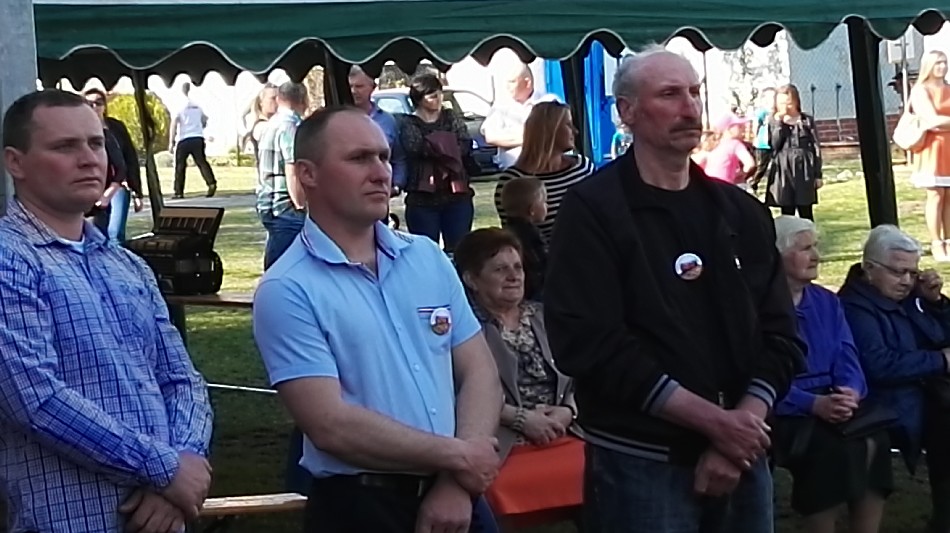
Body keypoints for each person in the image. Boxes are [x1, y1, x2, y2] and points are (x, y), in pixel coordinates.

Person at [543, 46, 804, 532]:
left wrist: (738, 430)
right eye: (669, 95)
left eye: (694, 92)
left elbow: (781, 332)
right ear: (627, 111)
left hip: (744, 454)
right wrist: (714, 423)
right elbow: (588, 341)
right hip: (643, 461)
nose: (689, 108)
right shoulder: (594, 211)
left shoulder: (739, 212)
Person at [252, 106, 503, 532]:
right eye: (359, 158)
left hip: (458, 495)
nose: (380, 172)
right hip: (363, 507)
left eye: (384, 156)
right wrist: (459, 458)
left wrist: (455, 483)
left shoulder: (426, 257)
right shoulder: (288, 289)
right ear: (308, 174)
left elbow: (479, 371)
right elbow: (330, 425)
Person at [0, 89, 214, 531]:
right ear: (15, 162)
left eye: (96, 143)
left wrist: (186, 459)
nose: (89, 159)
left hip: (161, 514)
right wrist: (166, 470)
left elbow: (182, 379)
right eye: (65, 146)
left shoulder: (128, 265)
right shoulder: (10, 258)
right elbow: (35, 399)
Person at [454, 228, 583, 530]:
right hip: (504, 443)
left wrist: (569, 410)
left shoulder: (546, 316)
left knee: (605, 469)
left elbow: (582, 372)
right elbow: (458, 390)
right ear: (471, 279)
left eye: (518, 267)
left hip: (565, 432)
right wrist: (523, 419)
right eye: (500, 269)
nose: (514, 276)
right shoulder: (463, 330)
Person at [771, 216, 891, 533]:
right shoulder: (757, 306)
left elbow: (846, 353)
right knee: (830, 449)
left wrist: (851, 391)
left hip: (833, 399)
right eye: (804, 249)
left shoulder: (826, 301)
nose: (816, 256)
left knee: (875, 439)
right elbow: (753, 375)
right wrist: (811, 404)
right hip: (782, 406)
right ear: (777, 256)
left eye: (816, 246)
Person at [838, 224, 950, 533]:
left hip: (921, 395)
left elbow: (941, 336)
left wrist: (936, 304)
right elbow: (878, 365)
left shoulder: (908, 298)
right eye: (898, 272)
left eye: (913, 273)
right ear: (869, 268)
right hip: (884, 404)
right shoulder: (855, 307)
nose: (907, 281)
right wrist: (940, 361)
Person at [493, 101, 594, 246]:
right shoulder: (514, 181)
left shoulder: (583, 167)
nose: (575, 131)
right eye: (568, 125)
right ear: (550, 130)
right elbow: (516, 237)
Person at [398, 73, 475, 253]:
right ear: (419, 98)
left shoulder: (450, 117)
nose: (438, 98)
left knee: (460, 251)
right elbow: (416, 147)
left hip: (457, 196)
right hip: (422, 200)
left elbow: (464, 144)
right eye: (432, 95)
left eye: (440, 93)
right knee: (426, 252)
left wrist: (436, 145)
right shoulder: (409, 123)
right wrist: (447, 145)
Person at [256, 81, 309, 270]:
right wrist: (301, 204)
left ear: (279, 99)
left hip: (268, 202)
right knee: (286, 268)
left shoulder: (271, 124)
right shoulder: (291, 127)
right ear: (304, 100)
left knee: (277, 263)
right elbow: (292, 169)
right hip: (285, 206)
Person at [83, 88, 144, 243]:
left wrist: (137, 192)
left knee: (115, 233)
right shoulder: (80, 130)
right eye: (89, 103)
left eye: (98, 102)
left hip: (118, 184)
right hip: (95, 186)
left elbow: (129, 158)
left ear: (105, 105)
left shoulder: (115, 128)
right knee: (97, 235)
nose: (94, 106)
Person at [908, 51, 950, 261]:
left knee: (949, 196)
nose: (942, 67)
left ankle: (949, 240)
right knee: (936, 195)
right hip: (932, 147)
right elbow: (931, 120)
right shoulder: (920, 90)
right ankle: (936, 243)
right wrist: (940, 122)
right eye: (937, 63)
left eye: (944, 63)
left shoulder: (949, 88)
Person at [481, 63, 557, 169]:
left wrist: (512, 136)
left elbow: (554, 134)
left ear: (527, 83)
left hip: (546, 168)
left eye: (512, 82)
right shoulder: (501, 106)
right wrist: (532, 138)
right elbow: (491, 136)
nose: (507, 86)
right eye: (507, 82)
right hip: (512, 171)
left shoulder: (548, 102)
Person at [765, 84, 822, 221]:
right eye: (781, 103)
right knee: (787, 212)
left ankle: (808, 233)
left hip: (804, 169)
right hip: (784, 169)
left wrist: (818, 174)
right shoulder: (773, 120)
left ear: (796, 101)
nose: (785, 106)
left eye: (788, 102)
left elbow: (815, 147)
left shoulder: (806, 120)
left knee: (806, 212)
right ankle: (789, 234)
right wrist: (779, 123)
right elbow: (774, 145)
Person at [349, 66, 408, 194]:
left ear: (373, 87)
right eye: (351, 86)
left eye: (359, 86)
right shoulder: (340, 120)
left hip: (378, 192)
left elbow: (398, 158)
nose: (353, 91)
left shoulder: (387, 121)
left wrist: (396, 185)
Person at [499, 178, 547, 301]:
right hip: (534, 290)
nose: (547, 206)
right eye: (544, 202)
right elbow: (542, 265)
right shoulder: (531, 235)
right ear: (532, 210)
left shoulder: (507, 232)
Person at [168, 81, 217, 199]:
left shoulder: (178, 106)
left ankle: (178, 191)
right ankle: (211, 182)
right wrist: (199, 127)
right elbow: (205, 119)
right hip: (197, 137)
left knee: (180, 165)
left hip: (184, 138)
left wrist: (171, 141)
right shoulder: (197, 106)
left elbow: (174, 124)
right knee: (201, 162)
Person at [703, 113, 756, 187]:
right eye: (739, 126)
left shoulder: (714, 143)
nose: (743, 129)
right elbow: (750, 164)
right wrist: (741, 174)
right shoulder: (735, 144)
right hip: (725, 184)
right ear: (729, 129)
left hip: (708, 184)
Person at [243, 83, 278, 163]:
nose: (277, 101)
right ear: (261, 102)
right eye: (273, 98)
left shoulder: (274, 123)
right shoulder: (261, 126)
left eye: (279, 98)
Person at [750, 87, 776, 191]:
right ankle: (753, 182)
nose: (772, 100)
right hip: (763, 143)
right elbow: (756, 124)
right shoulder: (762, 112)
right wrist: (755, 137)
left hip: (774, 143)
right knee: (761, 166)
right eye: (769, 98)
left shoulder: (776, 112)